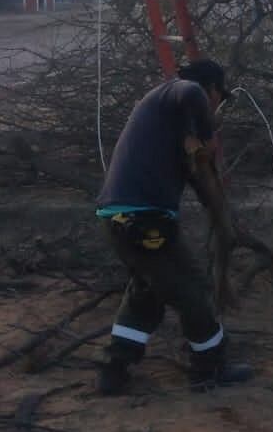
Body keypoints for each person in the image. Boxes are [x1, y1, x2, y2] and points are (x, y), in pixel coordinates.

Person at [95, 59, 253, 395]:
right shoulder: (181, 91)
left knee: (147, 293)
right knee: (192, 288)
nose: (216, 106)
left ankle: (114, 369)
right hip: (144, 220)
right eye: (218, 97)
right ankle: (210, 368)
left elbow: (196, 178)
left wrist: (217, 205)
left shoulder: (169, 123)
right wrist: (208, 137)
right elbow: (191, 92)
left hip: (119, 219)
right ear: (211, 88)